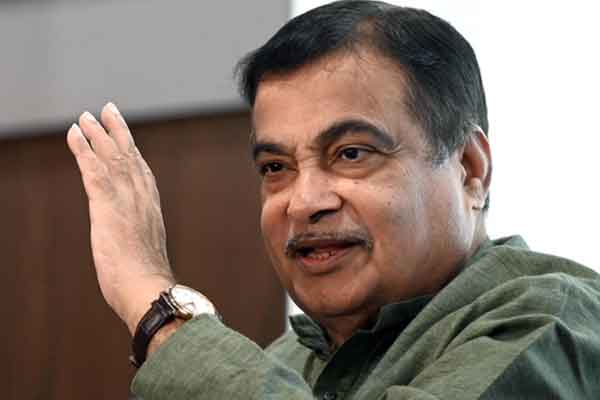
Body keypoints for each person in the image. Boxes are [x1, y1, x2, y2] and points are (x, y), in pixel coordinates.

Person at [66, 1, 600, 399]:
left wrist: (157, 308)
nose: (303, 203)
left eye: (351, 154)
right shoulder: (289, 359)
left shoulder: (553, 324)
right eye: (276, 167)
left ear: (470, 168)